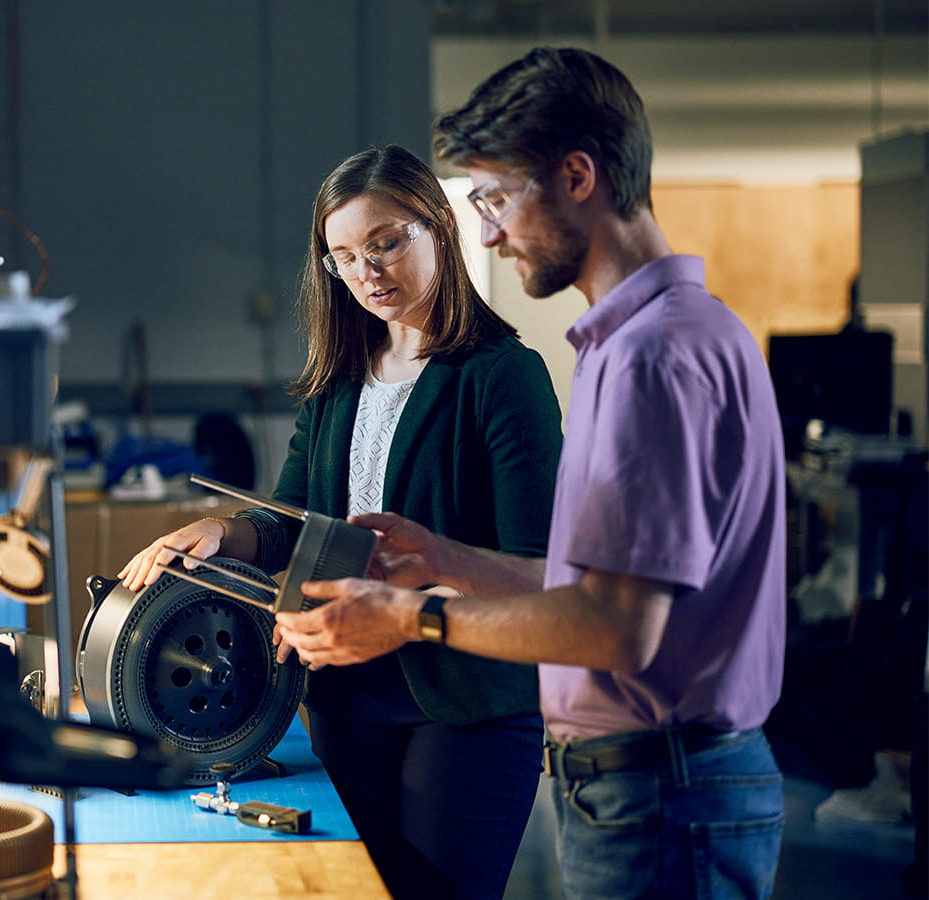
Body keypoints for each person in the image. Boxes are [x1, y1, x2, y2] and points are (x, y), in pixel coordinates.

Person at [273, 47, 788, 900]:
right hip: (650, 785)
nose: (488, 232)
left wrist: (410, 618)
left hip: (664, 788)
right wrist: (443, 559)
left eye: (497, 199)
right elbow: (589, 581)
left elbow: (617, 626)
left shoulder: (650, 358)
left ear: (578, 176)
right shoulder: (666, 335)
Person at [118, 144, 564, 899]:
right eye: (345, 257)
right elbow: (294, 522)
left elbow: (538, 567)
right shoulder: (338, 381)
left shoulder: (502, 375)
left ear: (439, 226)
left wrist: (419, 594)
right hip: (342, 694)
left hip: (463, 706)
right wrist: (224, 533)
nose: (369, 273)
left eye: (387, 243)